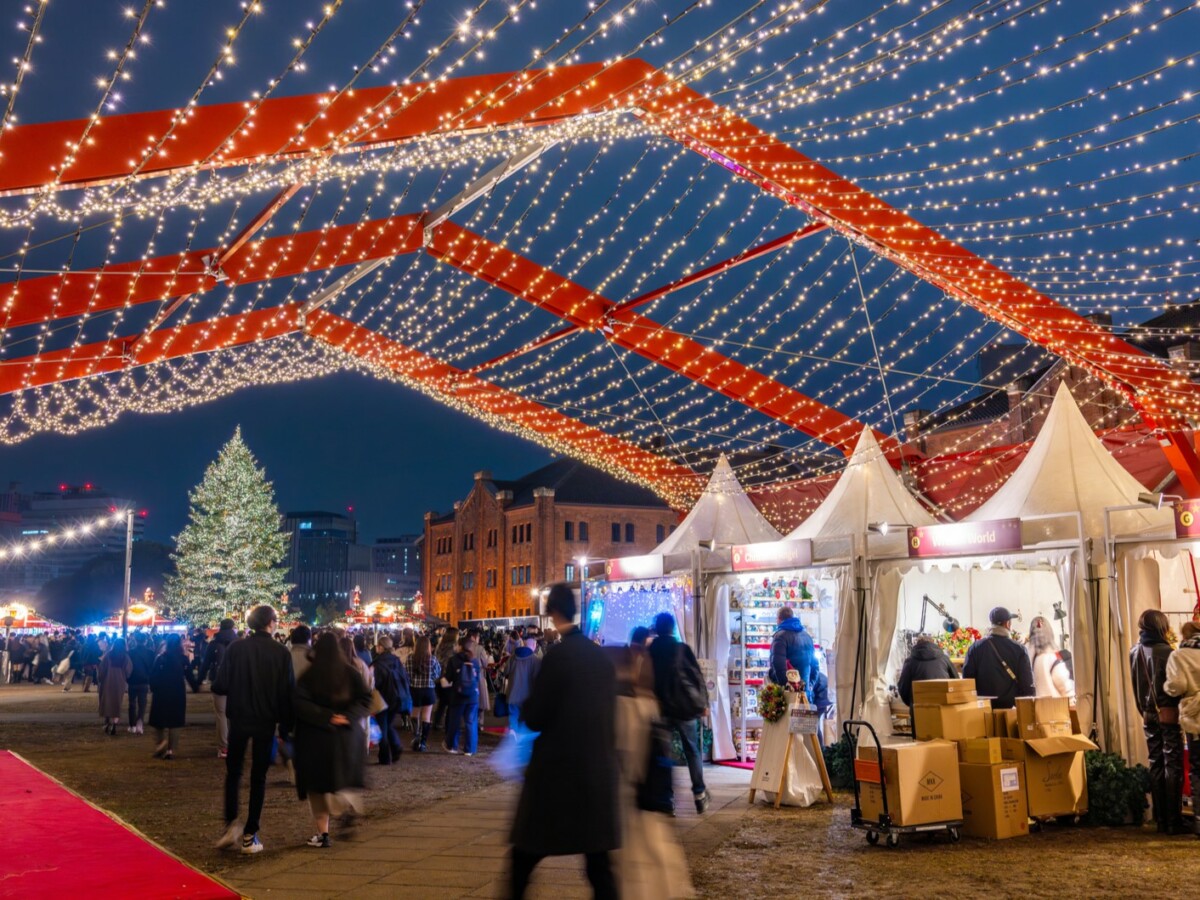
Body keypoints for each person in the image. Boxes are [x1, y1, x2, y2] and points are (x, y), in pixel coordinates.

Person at [511, 584, 620, 899]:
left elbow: (536, 716)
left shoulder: (557, 657)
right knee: (599, 864)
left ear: (553, 613)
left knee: (524, 857)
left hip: (559, 775)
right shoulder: (600, 658)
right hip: (598, 770)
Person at [609, 645, 695, 900]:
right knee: (656, 853)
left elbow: (624, 754)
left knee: (637, 860)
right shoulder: (649, 703)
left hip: (632, 797)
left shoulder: (622, 705)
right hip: (651, 797)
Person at [212, 604, 295, 855]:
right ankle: (250, 833)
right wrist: (286, 727)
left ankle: (230, 824)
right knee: (259, 777)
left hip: (238, 716)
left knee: (233, 773)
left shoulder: (236, 648)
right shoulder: (281, 652)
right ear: (271, 622)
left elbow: (220, 684)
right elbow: (287, 694)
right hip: (265, 719)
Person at [293, 632, 372, 849]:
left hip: (316, 737)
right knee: (341, 780)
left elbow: (299, 704)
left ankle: (323, 833)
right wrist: (348, 716)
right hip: (347, 736)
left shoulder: (309, 675)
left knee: (317, 787)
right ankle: (346, 807)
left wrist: (326, 716)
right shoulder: (350, 672)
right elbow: (366, 698)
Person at [647, 612, 710, 815]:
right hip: (684, 709)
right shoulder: (682, 649)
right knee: (692, 751)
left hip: (661, 709)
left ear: (657, 628)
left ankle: (667, 799)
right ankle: (699, 794)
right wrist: (703, 703)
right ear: (673, 628)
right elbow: (697, 676)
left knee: (664, 755)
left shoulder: (652, 650)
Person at [1131, 609, 1185, 835]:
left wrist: (1143, 709)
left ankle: (1160, 820)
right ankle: (1174, 821)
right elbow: (1175, 687)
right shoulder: (1168, 652)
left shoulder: (1134, 652)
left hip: (1147, 713)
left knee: (1155, 762)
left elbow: (1135, 685)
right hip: (1168, 712)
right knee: (1172, 764)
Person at [1164, 620, 1200, 837]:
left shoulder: (1179, 656)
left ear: (1184, 637)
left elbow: (1176, 686)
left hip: (1195, 718)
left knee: (1197, 769)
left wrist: (1166, 686)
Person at [961, 606, 1034, 710]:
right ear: (1008, 624)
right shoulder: (1019, 649)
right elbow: (1026, 685)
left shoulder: (975, 648)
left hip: (983, 710)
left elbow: (967, 681)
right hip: (1010, 711)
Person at [200, 618, 238, 758]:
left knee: (221, 714)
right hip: (236, 682)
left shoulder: (214, 644)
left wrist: (198, 680)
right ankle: (235, 744)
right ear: (233, 628)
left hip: (219, 681)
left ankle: (223, 747)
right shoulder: (239, 643)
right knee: (234, 714)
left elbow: (205, 664)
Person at [371, 636, 410, 765]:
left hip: (382, 698)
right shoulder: (396, 661)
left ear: (381, 647)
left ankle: (385, 756)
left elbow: (376, 682)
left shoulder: (377, 663)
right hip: (396, 698)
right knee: (388, 724)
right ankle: (395, 746)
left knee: (383, 727)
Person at [149, 634, 188, 760]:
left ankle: (161, 743)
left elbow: (153, 675)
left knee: (158, 721)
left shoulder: (161, 658)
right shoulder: (182, 658)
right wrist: (196, 685)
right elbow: (189, 675)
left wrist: (154, 688)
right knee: (175, 722)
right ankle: (171, 749)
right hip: (177, 692)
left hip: (161, 692)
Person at [442, 634, 482, 756]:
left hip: (458, 695)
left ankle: (452, 746)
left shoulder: (454, 660)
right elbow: (478, 678)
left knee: (455, 721)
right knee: (471, 722)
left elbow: (447, 679)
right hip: (472, 696)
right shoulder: (475, 661)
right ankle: (469, 749)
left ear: (460, 646)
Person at [769, 607, 819, 696]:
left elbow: (778, 665)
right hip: (805, 691)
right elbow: (815, 664)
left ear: (779, 619)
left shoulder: (780, 637)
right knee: (804, 709)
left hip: (789, 693)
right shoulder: (807, 636)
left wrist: (786, 687)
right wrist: (810, 684)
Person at [897, 635, 957, 709]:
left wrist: (912, 703)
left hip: (919, 710)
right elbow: (956, 682)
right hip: (944, 708)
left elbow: (903, 688)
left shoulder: (910, 662)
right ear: (933, 644)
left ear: (917, 645)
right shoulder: (945, 659)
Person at [406, 634, 441, 752]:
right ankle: (423, 742)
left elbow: (407, 675)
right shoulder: (433, 659)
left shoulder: (410, 658)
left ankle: (416, 737)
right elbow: (437, 674)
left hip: (414, 689)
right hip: (429, 689)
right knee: (426, 716)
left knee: (414, 714)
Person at [1028, 616, 1074, 700]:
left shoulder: (1034, 661)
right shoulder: (1052, 658)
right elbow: (1064, 686)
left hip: (1041, 709)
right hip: (1058, 709)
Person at [504, 637, 542, 727]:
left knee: (513, 724)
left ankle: (513, 737)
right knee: (524, 725)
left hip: (512, 695)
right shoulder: (536, 660)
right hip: (527, 698)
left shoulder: (513, 657)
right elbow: (537, 679)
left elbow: (505, 671)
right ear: (533, 645)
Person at [98, 638, 132, 736]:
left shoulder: (108, 655)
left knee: (107, 702)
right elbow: (129, 671)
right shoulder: (125, 657)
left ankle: (107, 723)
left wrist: (100, 679)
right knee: (117, 703)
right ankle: (114, 724)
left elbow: (102, 669)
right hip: (119, 683)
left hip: (107, 682)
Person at [127, 633, 155, 734]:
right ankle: (140, 723)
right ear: (145, 641)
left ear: (135, 640)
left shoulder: (130, 652)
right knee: (142, 704)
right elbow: (152, 668)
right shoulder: (151, 653)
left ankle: (132, 725)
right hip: (144, 681)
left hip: (132, 681)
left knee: (132, 703)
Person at [431, 627, 459, 730]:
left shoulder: (439, 646)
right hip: (448, 678)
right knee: (451, 703)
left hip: (438, 678)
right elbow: (450, 664)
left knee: (442, 703)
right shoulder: (453, 648)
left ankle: (437, 722)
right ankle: (448, 725)